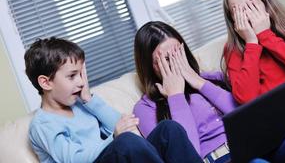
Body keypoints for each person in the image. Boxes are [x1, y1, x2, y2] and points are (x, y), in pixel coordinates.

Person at [25, 37, 202, 163]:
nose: (81, 82)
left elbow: (123, 125)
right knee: (125, 142)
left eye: (81, 74)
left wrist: (88, 99)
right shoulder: (43, 124)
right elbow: (74, 159)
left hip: (114, 155)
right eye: (72, 76)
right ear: (46, 82)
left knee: (168, 129)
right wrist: (114, 138)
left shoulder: (81, 105)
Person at [133, 21, 239, 163]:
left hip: (251, 144)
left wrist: (199, 82)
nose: (175, 62)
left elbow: (247, 117)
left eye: (178, 52)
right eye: (166, 59)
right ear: (149, 66)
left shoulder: (211, 78)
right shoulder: (145, 108)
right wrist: (176, 96)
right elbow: (188, 153)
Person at [221, 0, 285, 162]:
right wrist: (251, 43)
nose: (247, 13)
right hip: (279, 139)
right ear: (233, 20)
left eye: (252, 5)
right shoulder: (234, 51)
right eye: (238, 10)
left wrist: (266, 35)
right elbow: (246, 98)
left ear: (266, 4)